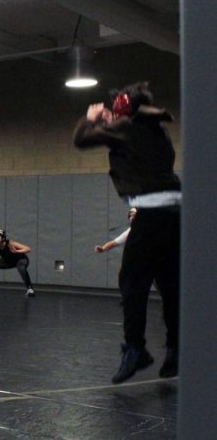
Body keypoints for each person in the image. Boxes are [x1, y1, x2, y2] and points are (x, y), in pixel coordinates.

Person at [74, 81, 180, 383]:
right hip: (174, 213)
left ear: (122, 107)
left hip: (153, 213)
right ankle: (175, 349)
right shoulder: (155, 128)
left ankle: (136, 349)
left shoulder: (128, 128)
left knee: (132, 283)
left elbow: (81, 140)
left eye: (114, 108)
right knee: (169, 285)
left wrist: (92, 119)